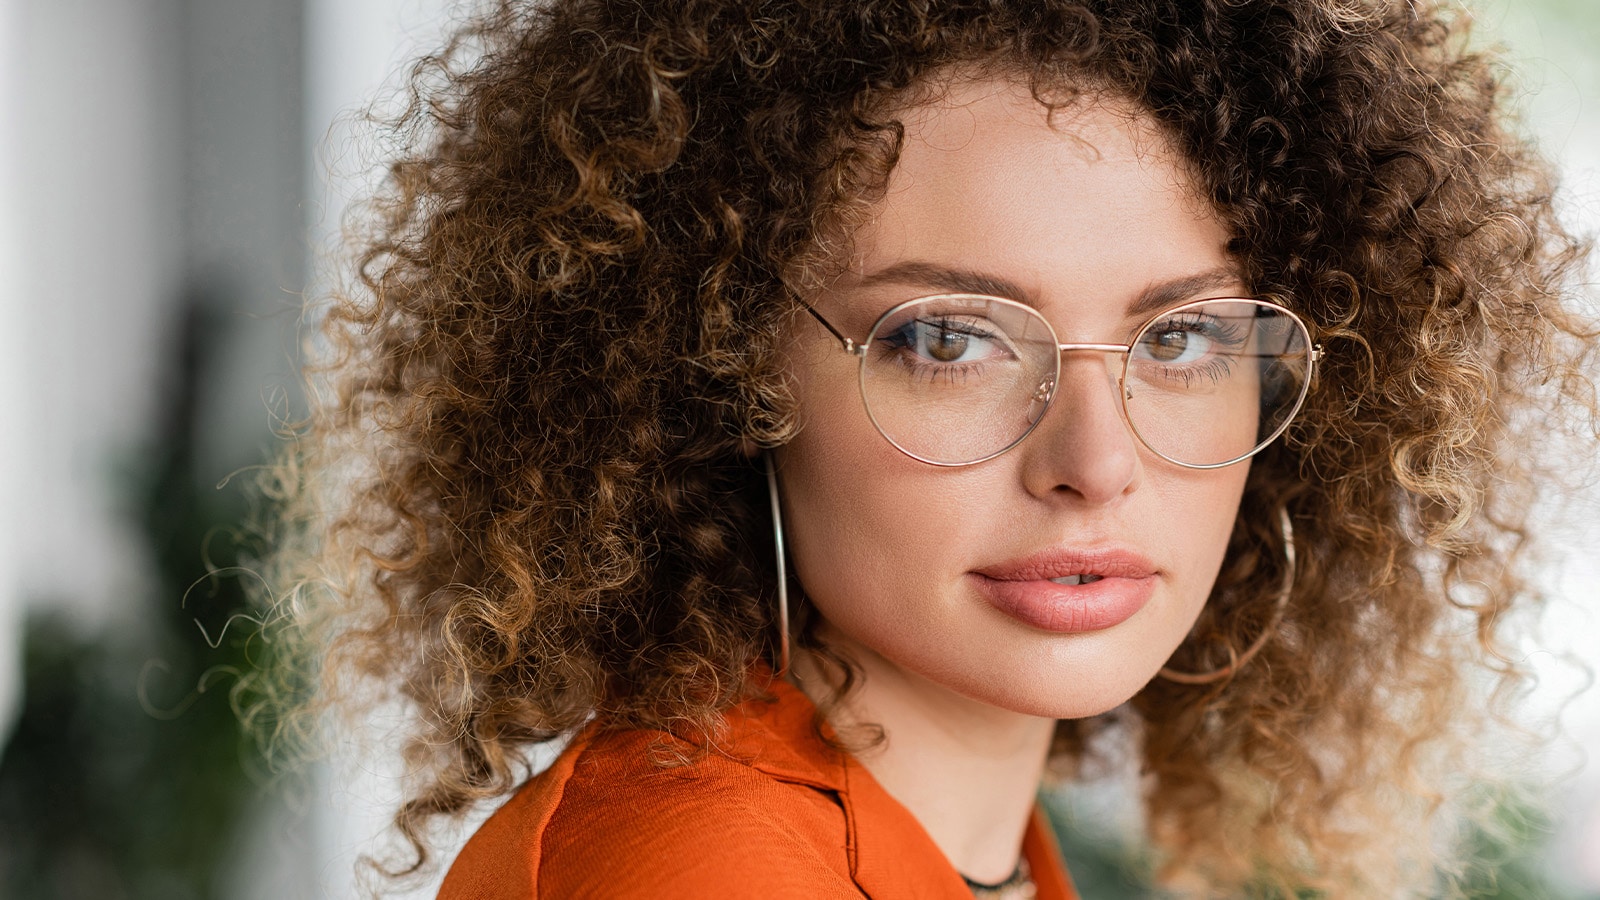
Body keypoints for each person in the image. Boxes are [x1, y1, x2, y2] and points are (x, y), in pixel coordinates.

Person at [259, 0, 1596, 896]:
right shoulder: (706, 867)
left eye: (1181, 341)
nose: (1096, 461)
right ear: (721, 373)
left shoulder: (966, 843)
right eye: (949, 339)